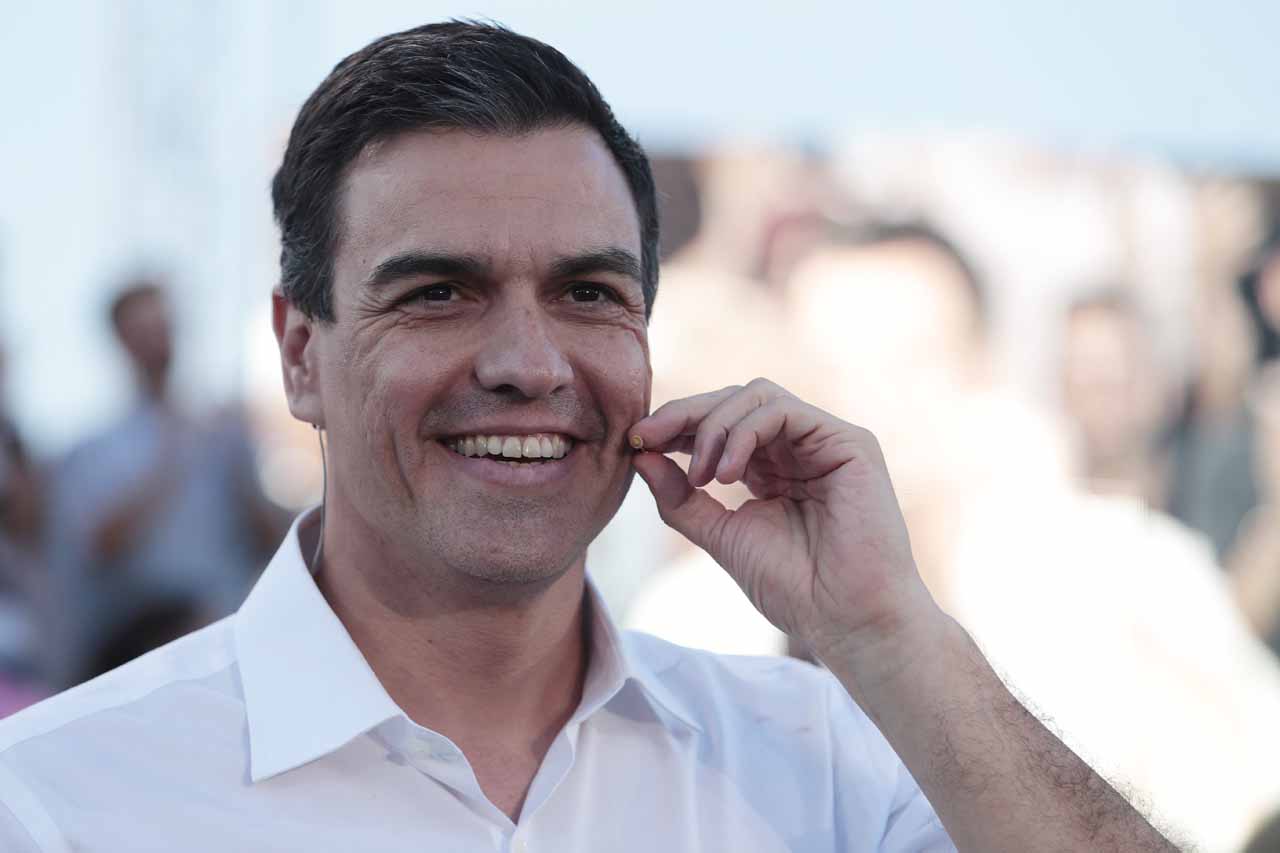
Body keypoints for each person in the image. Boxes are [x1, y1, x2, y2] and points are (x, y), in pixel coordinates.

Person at [0, 22, 1176, 851]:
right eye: (439, 292)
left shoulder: (817, 757)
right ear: (300, 353)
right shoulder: (60, 802)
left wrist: (886, 630)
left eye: (586, 293)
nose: (527, 362)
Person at [44, 280, 285, 685]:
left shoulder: (221, 431)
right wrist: (172, 455)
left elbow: (266, 536)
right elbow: (97, 546)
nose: (157, 341)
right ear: (121, 340)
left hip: (223, 637)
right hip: (140, 649)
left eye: (163, 326)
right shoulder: (94, 451)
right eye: (143, 330)